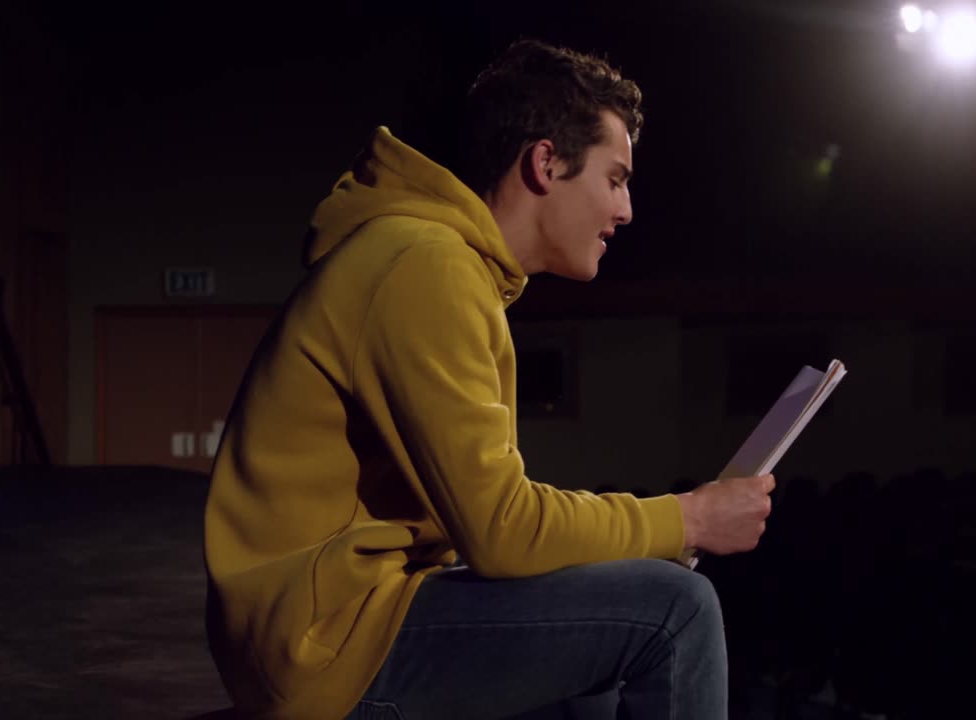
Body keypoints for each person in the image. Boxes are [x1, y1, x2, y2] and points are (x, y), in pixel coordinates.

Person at [203, 39, 775, 720]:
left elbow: (495, 524)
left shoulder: (443, 265)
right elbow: (503, 530)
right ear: (545, 162)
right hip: (326, 644)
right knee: (676, 610)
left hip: (344, 619)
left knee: (589, 672)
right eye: (615, 179)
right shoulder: (425, 267)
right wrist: (691, 517)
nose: (624, 211)